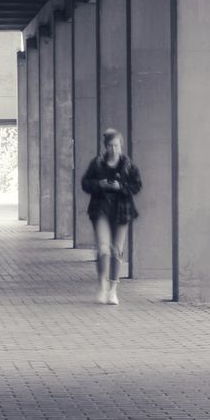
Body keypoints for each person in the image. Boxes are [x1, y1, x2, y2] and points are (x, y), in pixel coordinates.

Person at [80, 128, 142, 304]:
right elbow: (85, 183)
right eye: (110, 146)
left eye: (116, 145)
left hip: (122, 210)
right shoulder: (97, 164)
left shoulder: (128, 165)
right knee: (103, 247)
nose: (114, 150)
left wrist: (120, 187)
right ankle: (102, 284)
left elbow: (137, 186)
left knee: (117, 250)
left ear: (121, 145)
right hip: (100, 209)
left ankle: (113, 289)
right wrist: (99, 184)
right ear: (105, 147)